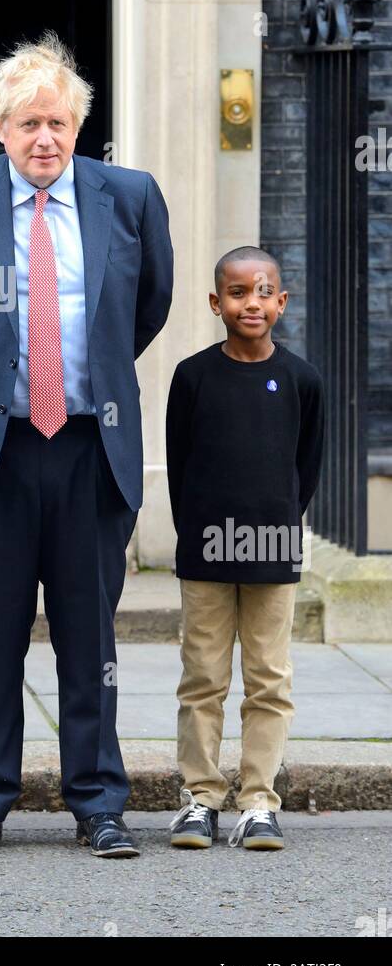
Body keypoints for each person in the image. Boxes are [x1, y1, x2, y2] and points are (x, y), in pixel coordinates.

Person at [0, 33, 173, 858]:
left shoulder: (128, 196)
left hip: (91, 446)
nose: (43, 140)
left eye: (56, 122)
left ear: (78, 124)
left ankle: (98, 802)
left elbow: (146, 307)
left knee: (91, 636)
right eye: (26, 125)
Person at [165, 247, 324, 852]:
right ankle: (200, 797)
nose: (250, 303)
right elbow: (181, 466)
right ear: (215, 302)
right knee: (202, 676)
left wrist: (280, 525)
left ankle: (258, 801)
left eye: (263, 292)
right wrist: (197, 534)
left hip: (273, 548)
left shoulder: (303, 379)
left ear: (281, 302)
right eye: (237, 293)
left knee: (268, 679)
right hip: (206, 550)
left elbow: (303, 469)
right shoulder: (194, 376)